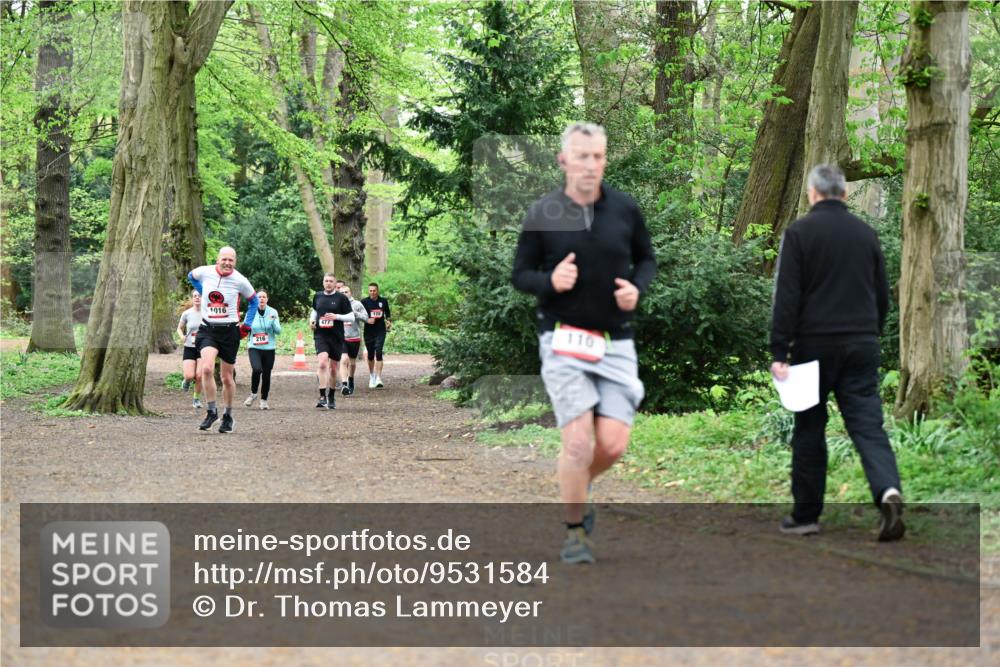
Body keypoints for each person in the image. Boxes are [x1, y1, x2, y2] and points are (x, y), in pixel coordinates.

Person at [511, 121, 656, 564]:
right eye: (581, 157)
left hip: (616, 341)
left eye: (597, 157)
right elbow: (520, 275)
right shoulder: (542, 213)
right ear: (564, 160)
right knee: (577, 444)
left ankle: (577, 488)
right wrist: (550, 281)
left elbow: (647, 259)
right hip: (562, 340)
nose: (590, 165)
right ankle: (575, 530)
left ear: (604, 159)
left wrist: (638, 289)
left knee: (611, 445)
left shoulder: (626, 210)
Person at [770, 163, 904, 542]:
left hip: (813, 347)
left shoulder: (799, 233)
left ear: (813, 193)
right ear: (844, 194)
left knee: (810, 427)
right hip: (862, 344)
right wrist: (870, 334)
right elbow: (882, 295)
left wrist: (779, 349)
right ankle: (888, 491)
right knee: (867, 425)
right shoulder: (866, 234)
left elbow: (787, 296)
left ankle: (806, 516)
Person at [188, 246, 258, 433]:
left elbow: (254, 302)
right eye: (224, 259)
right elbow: (190, 276)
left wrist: (247, 326)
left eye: (231, 260)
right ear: (218, 259)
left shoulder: (240, 280)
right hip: (208, 329)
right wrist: (202, 291)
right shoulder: (204, 272)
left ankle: (227, 416)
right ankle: (212, 412)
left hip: (230, 331)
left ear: (235, 262)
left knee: (227, 377)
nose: (227, 263)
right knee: (207, 368)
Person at [309, 273, 354, 409]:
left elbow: (351, 317)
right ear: (323, 282)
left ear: (335, 284)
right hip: (321, 335)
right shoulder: (318, 296)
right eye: (326, 281)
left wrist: (337, 316)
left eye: (331, 281)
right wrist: (311, 321)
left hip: (336, 336)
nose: (328, 283)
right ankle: (322, 397)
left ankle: (332, 396)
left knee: (334, 368)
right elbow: (314, 311)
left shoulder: (341, 298)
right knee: (322, 363)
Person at [243, 290, 281, 410]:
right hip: (254, 346)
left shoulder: (273, 312)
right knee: (256, 369)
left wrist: (272, 322)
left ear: (267, 299)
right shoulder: (251, 311)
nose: (261, 299)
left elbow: (278, 331)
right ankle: (253, 393)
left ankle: (264, 400)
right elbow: (245, 327)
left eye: (264, 297)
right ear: (256, 299)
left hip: (269, 348)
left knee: (266, 374)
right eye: (259, 297)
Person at [337, 285, 369, 396]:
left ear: (351, 293)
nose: (344, 294)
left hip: (354, 337)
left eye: (346, 292)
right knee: (343, 359)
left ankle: (351, 379)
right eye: (342, 292)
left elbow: (366, 317)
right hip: (341, 337)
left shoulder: (357, 304)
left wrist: (355, 314)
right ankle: (344, 384)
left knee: (352, 362)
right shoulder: (336, 304)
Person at [360, 282, 392, 389]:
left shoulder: (383, 301)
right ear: (368, 291)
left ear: (377, 291)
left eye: (374, 290)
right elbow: (359, 315)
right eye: (371, 291)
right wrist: (367, 319)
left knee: (378, 351)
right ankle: (371, 376)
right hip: (368, 331)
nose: (372, 292)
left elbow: (388, 314)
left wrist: (388, 321)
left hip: (380, 330)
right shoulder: (364, 302)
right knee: (370, 354)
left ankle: (378, 378)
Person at [176, 290, 203, 409]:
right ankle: (186, 381)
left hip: (203, 347)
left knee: (199, 376)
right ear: (192, 299)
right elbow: (179, 328)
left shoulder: (207, 313)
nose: (197, 298)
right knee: (189, 375)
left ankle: (196, 399)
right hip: (189, 347)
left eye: (199, 296)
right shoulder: (187, 313)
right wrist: (181, 336)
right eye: (195, 296)